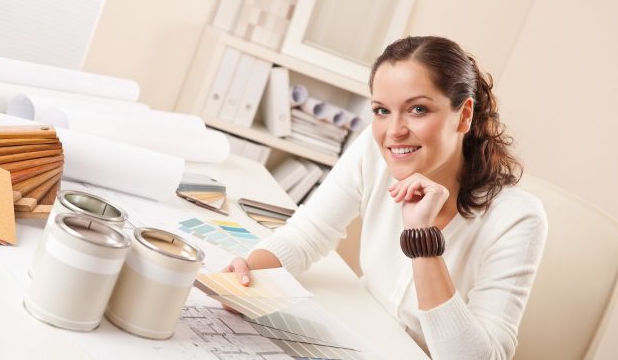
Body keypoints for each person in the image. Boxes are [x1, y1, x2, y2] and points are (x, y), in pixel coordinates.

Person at [225, 36, 547, 360]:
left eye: (417, 109)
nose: (394, 131)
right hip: (353, 340)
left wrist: (422, 239)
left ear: (464, 115)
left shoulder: (517, 218)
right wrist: (247, 273)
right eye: (381, 110)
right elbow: (308, 235)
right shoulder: (374, 151)